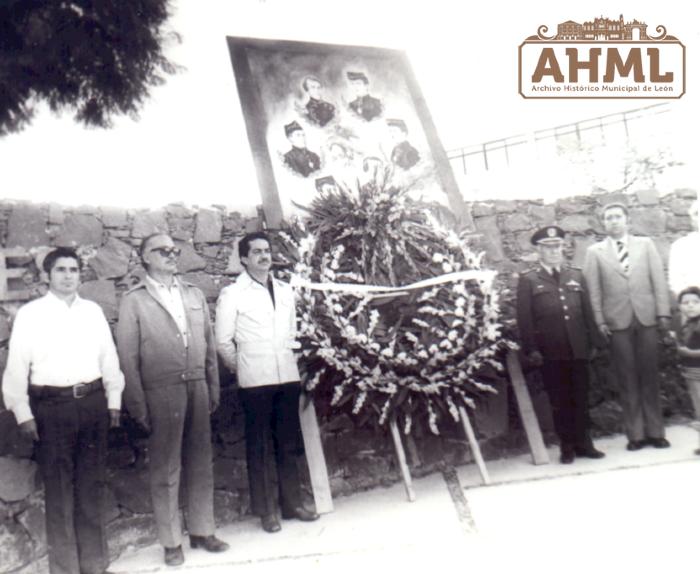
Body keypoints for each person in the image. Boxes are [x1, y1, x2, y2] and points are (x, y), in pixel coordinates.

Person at [2, 247, 125, 574]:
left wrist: (114, 401)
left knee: (91, 487)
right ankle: (66, 569)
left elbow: (109, 358)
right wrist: (23, 413)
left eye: (73, 269)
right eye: (61, 270)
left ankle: (95, 566)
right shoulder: (31, 314)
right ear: (47, 275)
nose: (68, 276)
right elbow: (16, 368)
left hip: (93, 405)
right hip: (52, 409)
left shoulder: (93, 312)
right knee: (59, 495)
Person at [116, 233, 228, 567]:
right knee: (166, 468)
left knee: (200, 461)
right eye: (161, 250)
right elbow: (127, 357)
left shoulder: (191, 293)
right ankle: (171, 541)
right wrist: (137, 403)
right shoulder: (134, 300)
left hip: (197, 386)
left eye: (173, 250)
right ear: (145, 257)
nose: (170, 254)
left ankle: (202, 530)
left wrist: (213, 386)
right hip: (160, 391)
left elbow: (207, 345)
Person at [215, 231, 319, 534]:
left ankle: (292, 504)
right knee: (259, 446)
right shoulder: (233, 293)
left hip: (286, 375)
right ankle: (266, 512)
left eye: (266, 250)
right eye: (256, 252)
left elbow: (291, 334)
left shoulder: (286, 291)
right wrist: (244, 369)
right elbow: (223, 342)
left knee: (287, 442)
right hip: (254, 381)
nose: (264, 256)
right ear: (244, 258)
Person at [583, 202, 672, 451]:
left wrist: (663, 313)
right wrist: (599, 320)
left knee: (650, 375)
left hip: (646, 319)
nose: (613, 221)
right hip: (617, 322)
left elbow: (658, 280)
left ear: (627, 220)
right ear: (603, 223)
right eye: (608, 218)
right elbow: (594, 292)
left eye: (617, 217)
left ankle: (656, 432)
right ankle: (636, 435)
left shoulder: (645, 245)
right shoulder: (595, 252)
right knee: (627, 377)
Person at [516, 226, 605, 464]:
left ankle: (585, 443)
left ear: (563, 248)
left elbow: (587, 312)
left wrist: (595, 341)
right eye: (548, 248)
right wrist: (531, 349)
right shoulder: (529, 280)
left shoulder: (576, 275)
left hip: (578, 348)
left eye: (557, 247)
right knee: (559, 400)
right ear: (538, 250)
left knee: (581, 397)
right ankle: (567, 445)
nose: (554, 252)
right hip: (550, 352)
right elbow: (525, 320)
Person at [674, 286, 700, 454]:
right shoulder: (685, 324)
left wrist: (687, 352)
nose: (690, 306)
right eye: (686, 302)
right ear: (680, 306)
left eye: (695, 302)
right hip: (690, 371)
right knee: (698, 406)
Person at [668, 199, 700, 297]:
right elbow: (675, 280)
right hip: (693, 303)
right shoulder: (680, 246)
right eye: (697, 215)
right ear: (693, 219)